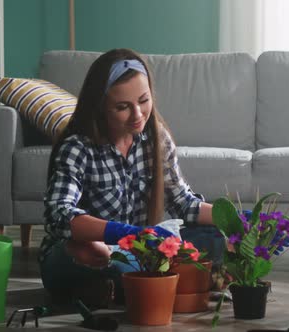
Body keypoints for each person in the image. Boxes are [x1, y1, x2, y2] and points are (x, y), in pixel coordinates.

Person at [39, 48, 215, 306]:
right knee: (95, 251)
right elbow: (59, 215)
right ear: (101, 107)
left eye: (144, 101)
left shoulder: (157, 140)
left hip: (137, 251)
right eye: (123, 107)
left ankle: (119, 287)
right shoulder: (78, 147)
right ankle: (148, 281)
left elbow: (184, 203)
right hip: (86, 252)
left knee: (216, 238)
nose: (138, 115)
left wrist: (236, 219)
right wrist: (121, 233)